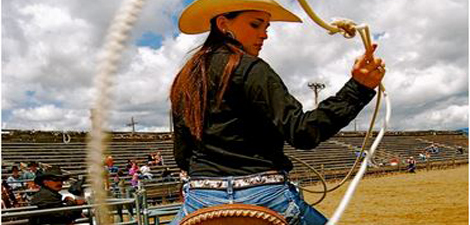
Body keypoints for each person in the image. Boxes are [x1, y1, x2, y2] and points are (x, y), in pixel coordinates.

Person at [169, 0, 385, 224]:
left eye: (266, 27)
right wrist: (357, 89)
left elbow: (182, 156)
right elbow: (302, 132)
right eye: (255, 25)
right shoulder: (252, 68)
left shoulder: (186, 78)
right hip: (267, 197)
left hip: (201, 198)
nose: (264, 35)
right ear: (223, 23)